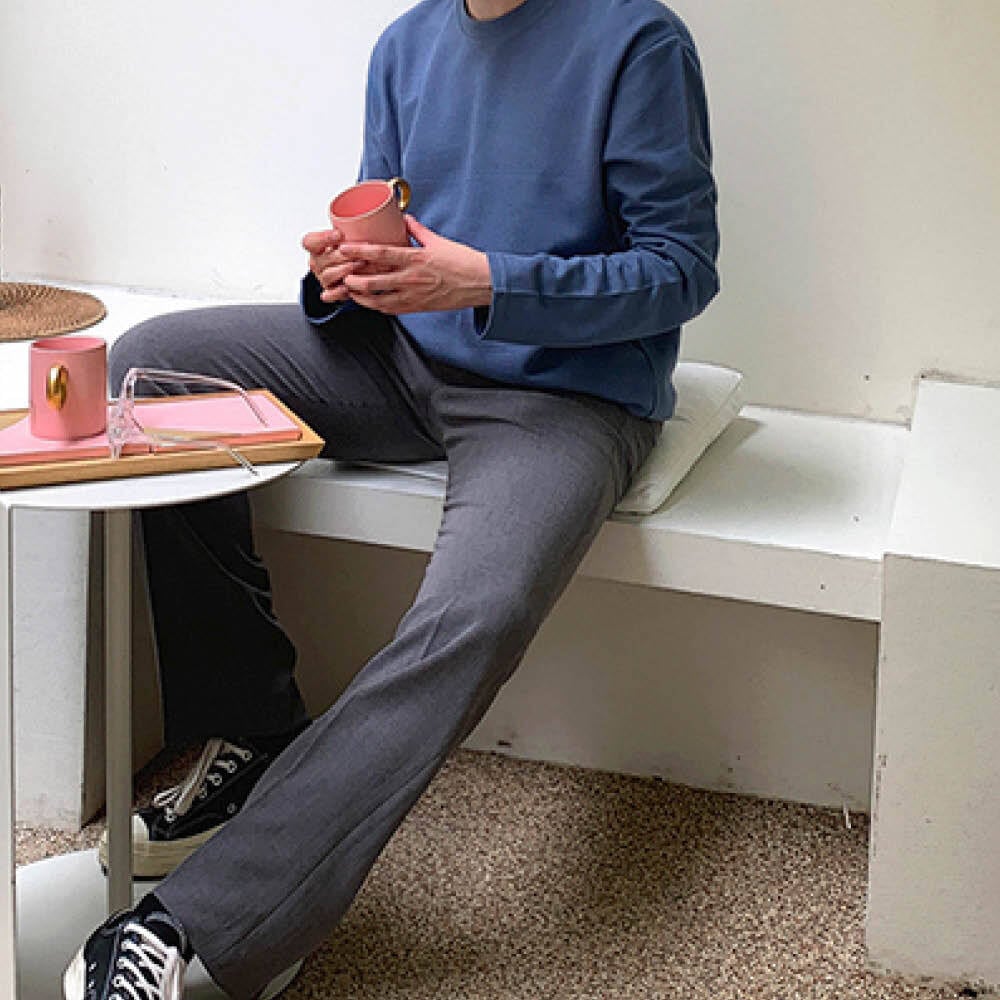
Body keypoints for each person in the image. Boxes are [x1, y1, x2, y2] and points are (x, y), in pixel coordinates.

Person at [63, 0, 719, 996]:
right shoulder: (406, 46)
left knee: (473, 612)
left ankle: (195, 922)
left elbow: (680, 269)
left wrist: (488, 281)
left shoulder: (636, 40)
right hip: (400, 361)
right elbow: (398, 243)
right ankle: (250, 722)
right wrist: (346, 273)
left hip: (565, 395)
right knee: (156, 368)